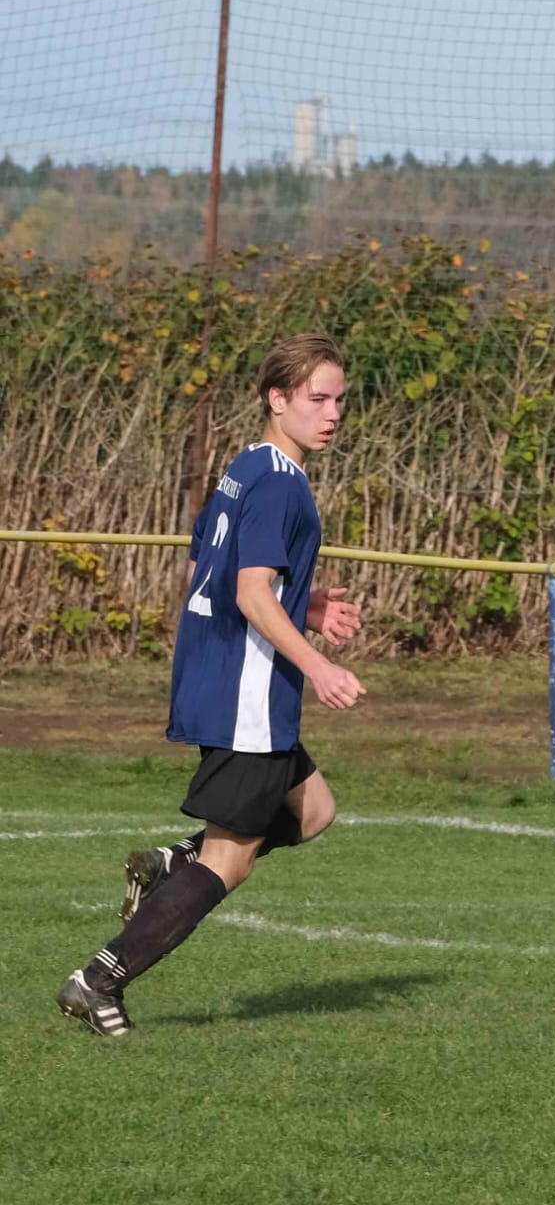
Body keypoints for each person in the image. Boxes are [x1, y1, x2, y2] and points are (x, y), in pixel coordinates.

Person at [60, 333, 365, 1036]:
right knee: (232, 859)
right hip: (247, 697)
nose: (332, 414)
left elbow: (209, 564)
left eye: (339, 400)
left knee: (314, 809)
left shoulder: (246, 466)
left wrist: (307, 605)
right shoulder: (282, 483)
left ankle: (173, 859)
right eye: (317, 399)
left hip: (216, 679)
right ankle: (98, 979)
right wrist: (318, 664)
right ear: (277, 399)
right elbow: (253, 593)